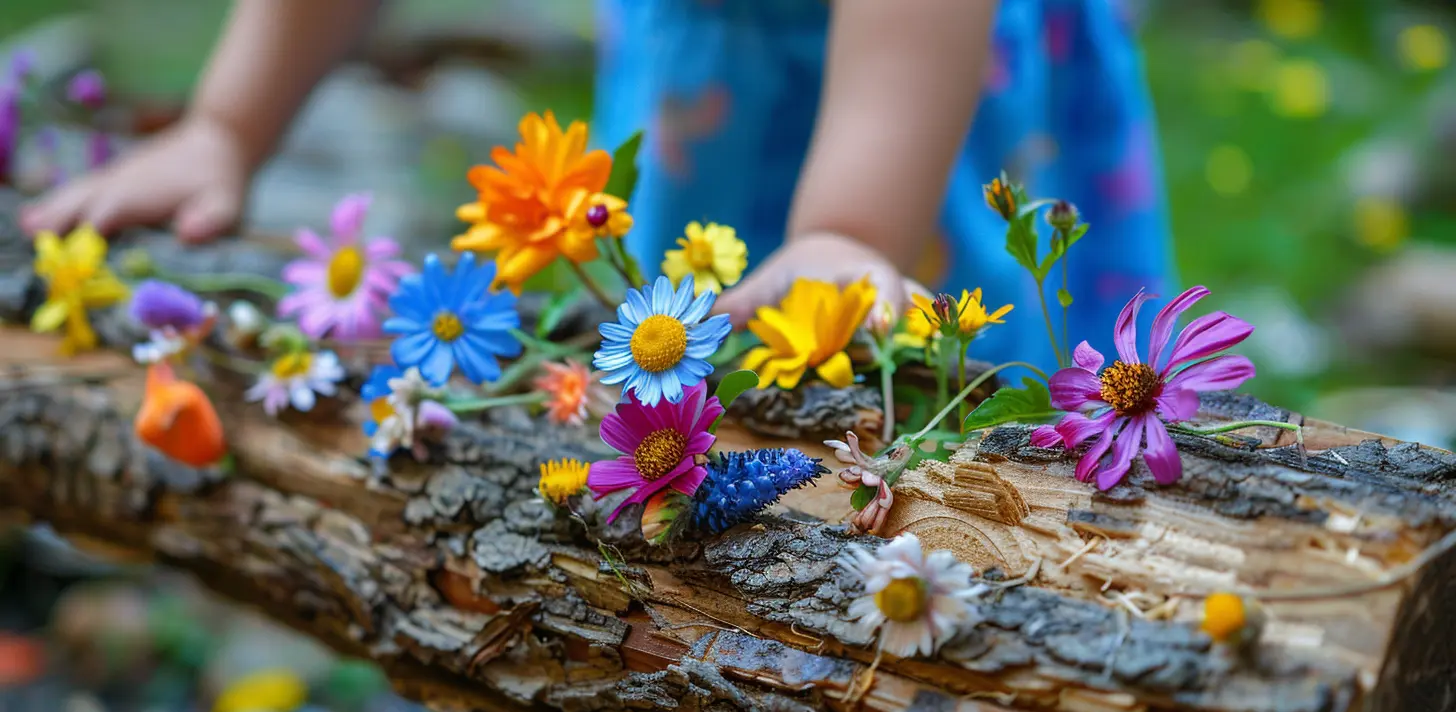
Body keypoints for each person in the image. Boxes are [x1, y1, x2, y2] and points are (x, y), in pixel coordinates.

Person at [20, 0, 1173, 371]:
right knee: (700, 376)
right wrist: (226, 123)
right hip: (710, 80)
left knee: (956, 371)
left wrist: (848, 226)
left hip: (927, 104)